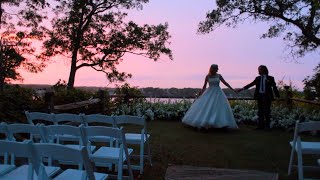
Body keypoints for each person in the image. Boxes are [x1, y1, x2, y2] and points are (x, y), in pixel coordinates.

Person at [182, 64, 238, 129]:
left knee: (218, 108)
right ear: (213, 69)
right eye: (216, 68)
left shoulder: (219, 76)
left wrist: (233, 89)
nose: (218, 69)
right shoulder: (207, 76)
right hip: (209, 92)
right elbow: (204, 86)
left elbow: (226, 83)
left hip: (218, 93)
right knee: (207, 107)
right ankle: (207, 122)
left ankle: (221, 123)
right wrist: (200, 93)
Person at [238, 65, 280, 130]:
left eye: (259, 69)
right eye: (258, 69)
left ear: (264, 70)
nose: (258, 70)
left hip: (267, 96)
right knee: (260, 112)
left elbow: (274, 87)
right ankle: (260, 126)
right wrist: (242, 89)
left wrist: (277, 96)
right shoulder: (257, 78)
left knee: (267, 112)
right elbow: (251, 84)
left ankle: (267, 126)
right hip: (259, 96)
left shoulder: (270, 78)